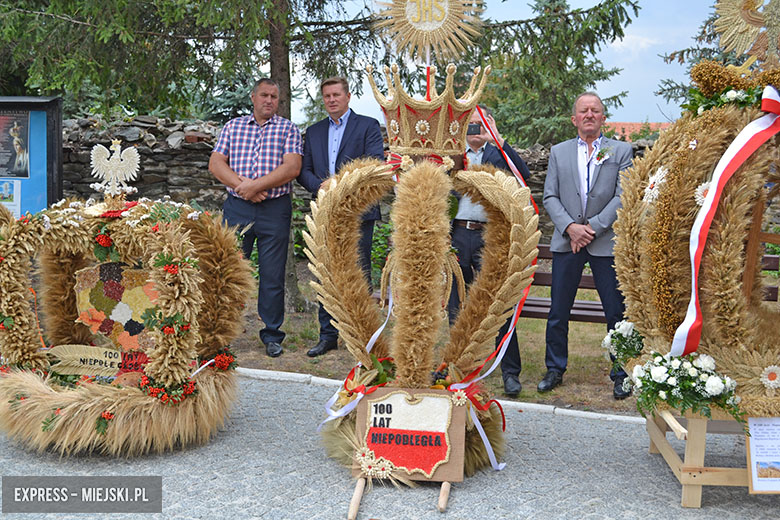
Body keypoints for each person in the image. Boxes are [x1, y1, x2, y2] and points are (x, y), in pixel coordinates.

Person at [540, 91, 632, 399]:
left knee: (616, 311)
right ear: (574, 119)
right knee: (558, 311)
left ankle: (621, 372)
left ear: (603, 118)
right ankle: (554, 368)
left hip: (604, 243)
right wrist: (570, 227)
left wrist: (592, 228)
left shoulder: (620, 150)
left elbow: (623, 196)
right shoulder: (559, 152)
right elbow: (550, 196)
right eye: (584, 110)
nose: (590, 114)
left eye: (595, 110)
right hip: (568, 243)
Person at [209, 78, 303, 358]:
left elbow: (292, 167)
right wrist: (244, 187)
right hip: (238, 208)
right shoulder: (233, 127)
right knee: (229, 272)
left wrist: (256, 186)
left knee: (272, 275)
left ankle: (272, 335)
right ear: (253, 97)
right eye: (264, 95)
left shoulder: (288, 129)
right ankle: (220, 334)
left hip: (274, 210)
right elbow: (216, 163)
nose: (269, 101)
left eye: (274, 96)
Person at [297, 76, 385, 357]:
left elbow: (373, 164)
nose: (332, 99)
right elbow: (304, 170)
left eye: (336, 94)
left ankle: (362, 336)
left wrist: (338, 185)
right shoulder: (314, 131)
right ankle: (328, 335)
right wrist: (319, 187)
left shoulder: (368, 126)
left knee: (358, 272)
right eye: (327, 96)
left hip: (358, 211)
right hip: (325, 211)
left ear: (348, 97)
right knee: (326, 273)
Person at [447, 106, 531, 397]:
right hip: (459, 232)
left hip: (490, 234)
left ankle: (509, 371)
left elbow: (524, 177)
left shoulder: (497, 154)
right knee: (457, 300)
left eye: (479, 125)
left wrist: (499, 141)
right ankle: (458, 367)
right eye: (468, 126)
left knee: (499, 301)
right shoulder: (453, 157)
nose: (474, 131)